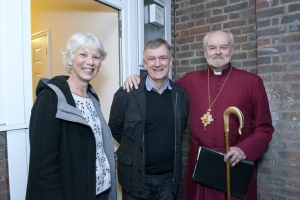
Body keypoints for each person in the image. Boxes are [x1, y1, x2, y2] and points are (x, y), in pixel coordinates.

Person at [123, 30, 274, 200]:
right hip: (201, 167)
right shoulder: (189, 81)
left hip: (234, 165)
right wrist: (137, 78)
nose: (217, 52)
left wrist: (243, 149)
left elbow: (264, 128)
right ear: (205, 52)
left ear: (232, 50)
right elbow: (160, 86)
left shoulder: (252, 82)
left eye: (223, 47)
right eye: (212, 48)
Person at [26, 33, 116, 200]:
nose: (90, 61)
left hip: (102, 191)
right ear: (69, 59)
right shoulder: (50, 98)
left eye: (96, 57)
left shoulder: (92, 97)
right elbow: (43, 168)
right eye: (83, 54)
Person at [108, 38, 189, 200]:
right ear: (144, 64)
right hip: (136, 178)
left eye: (162, 58)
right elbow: (116, 128)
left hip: (169, 180)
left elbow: (180, 129)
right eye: (151, 59)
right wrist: (134, 144)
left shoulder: (180, 95)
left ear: (170, 61)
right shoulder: (128, 93)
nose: (157, 63)